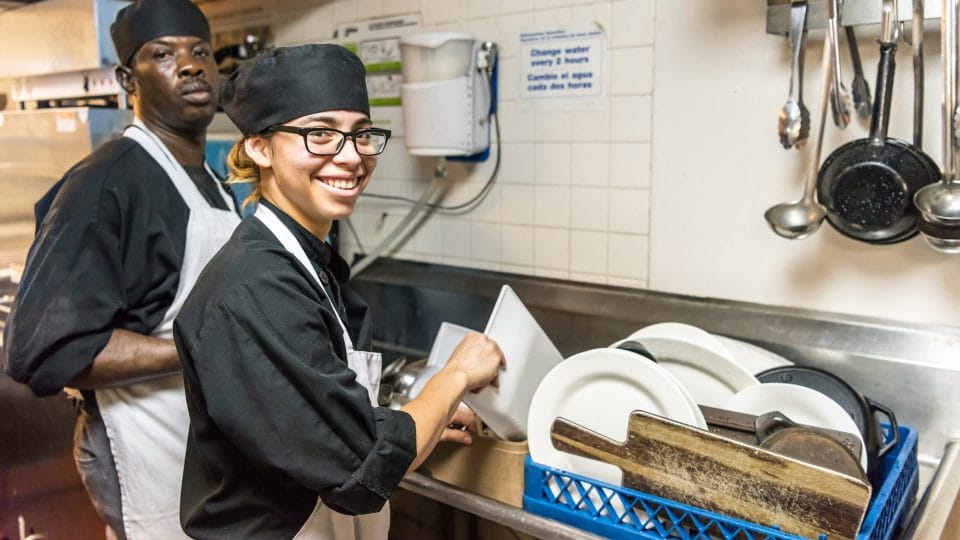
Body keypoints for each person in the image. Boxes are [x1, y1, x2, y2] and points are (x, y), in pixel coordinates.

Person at [172, 43, 504, 539]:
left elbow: (327, 418)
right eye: (319, 134)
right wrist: (454, 375)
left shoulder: (307, 262)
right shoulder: (254, 288)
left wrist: (424, 418)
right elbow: (361, 469)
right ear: (260, 148)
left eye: (361, 134)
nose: (350, 157)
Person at [1, 1, 240, 538]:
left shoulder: (212, 183)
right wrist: (198, 350)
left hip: (197, 447)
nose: (191, 65)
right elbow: (42, 352)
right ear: (128, 79)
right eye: (164, 54)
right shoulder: (106, 184)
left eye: (200, 52)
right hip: (141, 445)